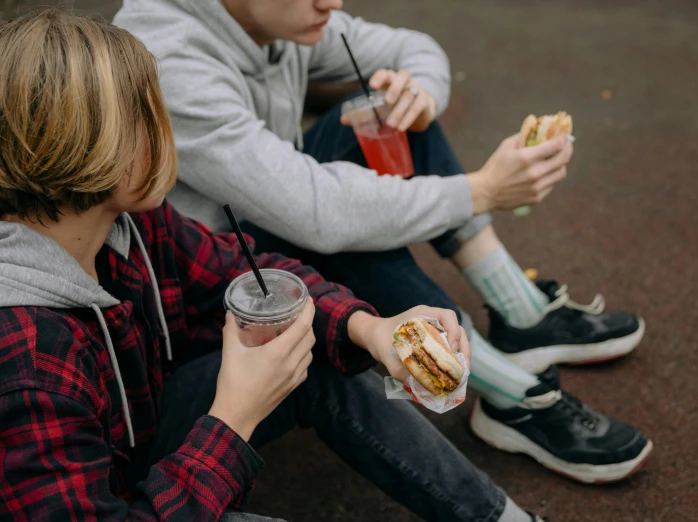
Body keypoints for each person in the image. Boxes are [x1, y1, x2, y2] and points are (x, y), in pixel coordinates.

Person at [0, 11, 562, 522]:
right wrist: (233, 417)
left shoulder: (127, 223)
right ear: (103, 154)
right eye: (154, 117)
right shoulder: (27, 356)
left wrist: (373, 329)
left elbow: (239, 271)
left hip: (144, 433)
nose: (170, 132)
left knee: (299, 349)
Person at [114, 0, 652, 483]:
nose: (333, 1)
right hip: (208, 285)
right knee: (338, 223)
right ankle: (508, 394)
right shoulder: (168, 56)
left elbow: (413, 47)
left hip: (279, 213)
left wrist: (419, 96)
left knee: (388, 108)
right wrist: (482, 191)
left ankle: (521, 313)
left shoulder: (278, 15)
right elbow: (314, 211)